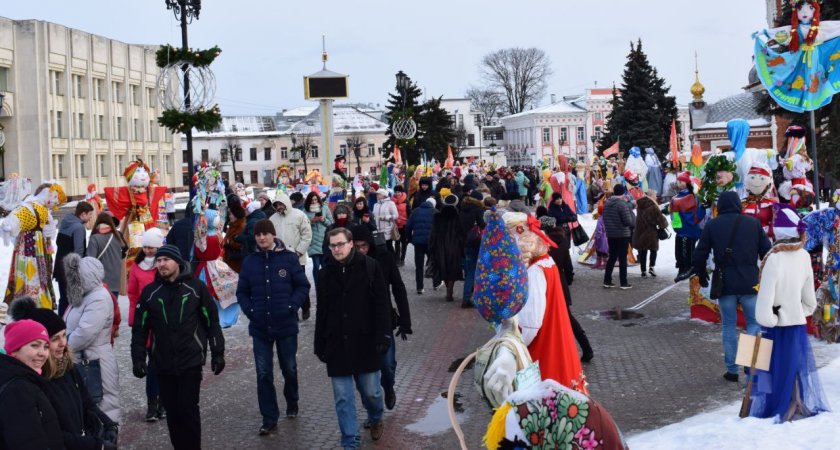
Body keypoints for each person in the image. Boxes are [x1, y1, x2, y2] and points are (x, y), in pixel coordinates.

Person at [131, 244, 226, 449]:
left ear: (178, 262)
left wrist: (218, 353)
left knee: (188, 409)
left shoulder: (196, 289)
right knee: (173, 413)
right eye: (159, 260)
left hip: (190, 360)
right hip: (163, 363)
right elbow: (139, 329)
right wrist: (138, 359)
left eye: (166, 260)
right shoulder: (150, 292)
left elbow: (212, 323)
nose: (162, 264)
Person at [749, 205, 830, 422]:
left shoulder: (773, 259)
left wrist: (774, 318)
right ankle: (796, 401)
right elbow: (810, 302)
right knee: (793, 366)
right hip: (795, 324)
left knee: (773, 368)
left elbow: (764, 302)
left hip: (776, 326)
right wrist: (796, 311)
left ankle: (779, 405)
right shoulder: (803, 256)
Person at [315, 228, 391, 448]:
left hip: (366, 341)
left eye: (340, 244)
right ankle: (350, 441)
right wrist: (319, 341)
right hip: (337, 343)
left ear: (350, 244)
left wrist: (383, 335)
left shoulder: (369, 266)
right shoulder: (325, 272)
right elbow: (323, 309)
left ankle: (376, 416)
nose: (336, 249)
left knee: (372, 392)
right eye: (332, 245)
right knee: (343, 398)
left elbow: (382, 305)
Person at [10, 297, 119, 449]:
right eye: (55, 339)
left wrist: (109, 424)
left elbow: (87, 403)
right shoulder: (38, 381)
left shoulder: (68, 367)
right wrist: (96, 445)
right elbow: (52, 434)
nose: (63, 343)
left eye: (64, 335)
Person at [237, 219, 310, 435]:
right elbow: (242, 291)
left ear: (272, 235)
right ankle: (269, 417)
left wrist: (292, 306)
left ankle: (292, 401)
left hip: (285, 324)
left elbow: (302, 285)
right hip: (260, 327)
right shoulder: (250, 262)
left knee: (289, 368)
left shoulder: (287, 258)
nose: (261, 238)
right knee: (263, 373)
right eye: (258, 235)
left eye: (265, 234)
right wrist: (250, 310)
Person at [692, 191, 771, 382]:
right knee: (754, 323)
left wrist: (702, 275)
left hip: (725, 282)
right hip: (750, 282)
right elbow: (767, 251)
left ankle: (732, 370)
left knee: (729, 325)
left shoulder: (713, 225)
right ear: (738, 205)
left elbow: (700, 253)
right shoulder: (753, 224)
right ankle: (751, 365)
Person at [349, 224, 412, 412]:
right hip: (357, 324)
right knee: (362, 371)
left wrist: (405, 320)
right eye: (357, 247)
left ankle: (389, 387)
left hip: (382, 320)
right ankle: (371, 411)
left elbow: (398, 289)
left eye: (364, 246)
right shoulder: (347, 263)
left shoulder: (384, 257)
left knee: (388, 364)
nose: (361, 251)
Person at [62, 254, 121, 423]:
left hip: (96, 360)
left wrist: (61, 346)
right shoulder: (84, 296)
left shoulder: (99, 298)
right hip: (85, 358)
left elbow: (85, 333)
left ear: (85, 277)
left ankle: (107, 439)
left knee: (103, 403)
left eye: (75, 277)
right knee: (90, 404)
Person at [0, 319, 64, 449]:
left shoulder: (26, 379)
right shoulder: (17, 389)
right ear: (14, 350)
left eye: (46, 346)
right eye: (35, 345)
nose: (42, 353)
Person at [540, 216, 594, 363]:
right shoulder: (563, 241)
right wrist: (566, 281)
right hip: (560, 284)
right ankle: (586, 348)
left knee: (543, 319)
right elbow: (568, 267)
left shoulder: (542, 244)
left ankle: (548, 353)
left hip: (546, 284)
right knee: (568, 318)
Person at [127, 227, 167, 422]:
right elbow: (132, 294)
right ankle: (153, 404)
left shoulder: (165, 264)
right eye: (145, 247)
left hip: (166, 321)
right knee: (153, 364)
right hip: (146, 321)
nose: (148, 251)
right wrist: (133, 318)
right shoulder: (137, 266)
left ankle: (164, 403)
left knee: (165, 364)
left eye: (152, 247)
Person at [269, 191, 313, 320]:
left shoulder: (299, 215)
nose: (279, 206)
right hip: (280, 258)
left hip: (297, 257)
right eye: (276, 204)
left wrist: (299, 251)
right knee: (286, 287)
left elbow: (306, 235)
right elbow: (271, 237)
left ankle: (305, 307)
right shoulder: (272, 219)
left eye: (281, 204)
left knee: (300, 284)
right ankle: (292, 311)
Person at [55, 201, 95, 316]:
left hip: (59, 265)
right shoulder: (78, 228)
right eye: (90, 215)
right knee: (72, 299)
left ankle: (60, 323)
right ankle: (67, 323)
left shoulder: (65, 222)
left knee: (63, 297)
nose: (90, 217)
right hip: (70, 268)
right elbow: (79, 251)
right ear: (83, 214)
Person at [429, 195, 464, 302]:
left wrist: (431, 246)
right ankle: (450, 290)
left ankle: (447, 290)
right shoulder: (458, 216)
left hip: (440, 245)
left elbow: (433, 233)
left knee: (443, 267)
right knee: (453, 268)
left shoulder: (437, 216)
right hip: (454, 246)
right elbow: (461, 233)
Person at [672, 171, 705, 281]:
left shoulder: (693, 197)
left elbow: (697, 214)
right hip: (682, 230)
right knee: (679, 250)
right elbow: (674, 215)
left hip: (690, 229)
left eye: (682, 181)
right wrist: (677, 228)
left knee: (687, 250)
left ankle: (688, 268)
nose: (679, 183)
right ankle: (682, 269)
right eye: (679, 181)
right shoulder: (676, 198)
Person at [86, 212, 128, 297]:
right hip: (115, 280)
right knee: (113, 307)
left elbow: (90, 260)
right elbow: (124, 251)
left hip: (100, 282)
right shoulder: (118, 235)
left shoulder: (95, 238)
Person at [602, 185, 636, 289]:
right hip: (622, 234)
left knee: (612, 257)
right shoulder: (622, 204)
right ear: (623, 192)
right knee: (622, 259)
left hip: (611, 234)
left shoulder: (606, 204)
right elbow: (628, 222)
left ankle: (607, 280)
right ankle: (623, 282)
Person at [459, 190, 486, 308]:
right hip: (475, 242)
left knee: (468, 269)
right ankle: (468, 298)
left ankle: (467, 296)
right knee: (473, 272)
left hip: (463, 242)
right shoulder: (477, 209)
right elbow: (482, 225)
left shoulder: (462, 208)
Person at [405, 198, 437, 295]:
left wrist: (410, 239)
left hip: (418, 243)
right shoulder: (435, 212)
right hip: (431, 242)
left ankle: (420, 287)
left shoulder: (416, 211)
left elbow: (408, 226)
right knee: (434, 263)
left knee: (419, 266)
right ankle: (436, 283)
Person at [633, 193, 668, 278]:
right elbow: (661, 220)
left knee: (643, 251)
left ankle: (643, 270)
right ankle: (651, 267)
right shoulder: (653, 207)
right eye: (655, 195)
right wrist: (664, 224)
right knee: (653, 250)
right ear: (651, 197)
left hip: (640, 232)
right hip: (651, 233)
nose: (656, 197)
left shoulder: (639, 206)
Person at [304, 191, 333, 279]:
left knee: (325, 265)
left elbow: (331, 223)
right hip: (313, 242)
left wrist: (323, 220)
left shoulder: (324, 208)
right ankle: (317, 286)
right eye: (312, 200)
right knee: (316, 266)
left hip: (325, 240)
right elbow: (303, 225)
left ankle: (325, 286)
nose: (314, 201)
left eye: (315, 199)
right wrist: (311, 221)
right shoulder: (305, 211)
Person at [167, 199, 197, 270]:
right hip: (196, 261)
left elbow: (169, 240)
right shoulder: (200, 226)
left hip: (180, 259)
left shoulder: (178, 224)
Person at [222, 198, 248, 273]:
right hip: (229, 259)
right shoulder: (232, 225)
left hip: (236, 261)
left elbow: (241, 243)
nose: (229, 216)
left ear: (236, 214)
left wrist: (229, 244)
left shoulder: (241, 226)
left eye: (231, 214)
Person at [372, 189, 398, 253]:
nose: (376, 195)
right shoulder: (375, 205)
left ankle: (393, 261)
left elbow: (396, 215)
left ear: (383, 195)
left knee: (388, 247)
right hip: (377, 230)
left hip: (387, 229)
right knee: (380, 248)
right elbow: (373, 215)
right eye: (376, 194)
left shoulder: (390, 203)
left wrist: (385, 217)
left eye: (378, 194)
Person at [392, 186, 410, 266]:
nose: (397, 193)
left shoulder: (406, 201)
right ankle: (397, 259)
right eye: (396, 192)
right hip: (395, 225)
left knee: (404, 243)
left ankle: (402, 259)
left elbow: (410, 213)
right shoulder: (392, 201)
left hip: (404, 225)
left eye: (399, 192)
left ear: (401, 192)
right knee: (396, 242)